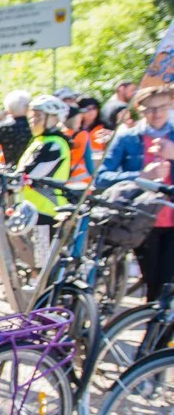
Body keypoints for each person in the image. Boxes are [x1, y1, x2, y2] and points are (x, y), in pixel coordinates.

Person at [96, 85, 174, 301]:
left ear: (171, 106)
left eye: (162, 107)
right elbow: (102, 177)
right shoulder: (127, 138)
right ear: (140, 110)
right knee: (154, 284)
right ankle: (155, 330)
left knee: (168, 284)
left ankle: (159, 330)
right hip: (142, 222)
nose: (156, 114)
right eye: (150, 109)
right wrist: (141, 176)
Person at [17, 95, 73, 264]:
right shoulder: (39, 141)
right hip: (31, 209)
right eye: (31, 116)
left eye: (38, 116)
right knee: (32, 260)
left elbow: (32, 172)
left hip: (47, 211)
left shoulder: (55, 143)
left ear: (54, 118)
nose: (33, 121)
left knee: (42, 264)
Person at [63, 105, 95, 185]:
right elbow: (89, 162)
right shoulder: (83, 135)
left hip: (63, 180)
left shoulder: (60, 135)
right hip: (82, 182)